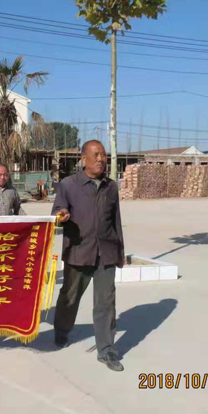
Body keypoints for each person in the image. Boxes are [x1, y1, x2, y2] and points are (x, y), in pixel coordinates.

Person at [52, 140, 126, 372]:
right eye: (96, 155)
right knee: (69, 297)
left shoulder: (111, 187)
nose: (101, 159)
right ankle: (62, 331)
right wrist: (61, 214)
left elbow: (116, 221)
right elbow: (56, 211)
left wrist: (120, 252)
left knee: (106, 302)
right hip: (78, 252)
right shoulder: (68, 185)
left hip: (106, 253)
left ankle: (106, 349)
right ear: (83, 159)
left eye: (103, 155)